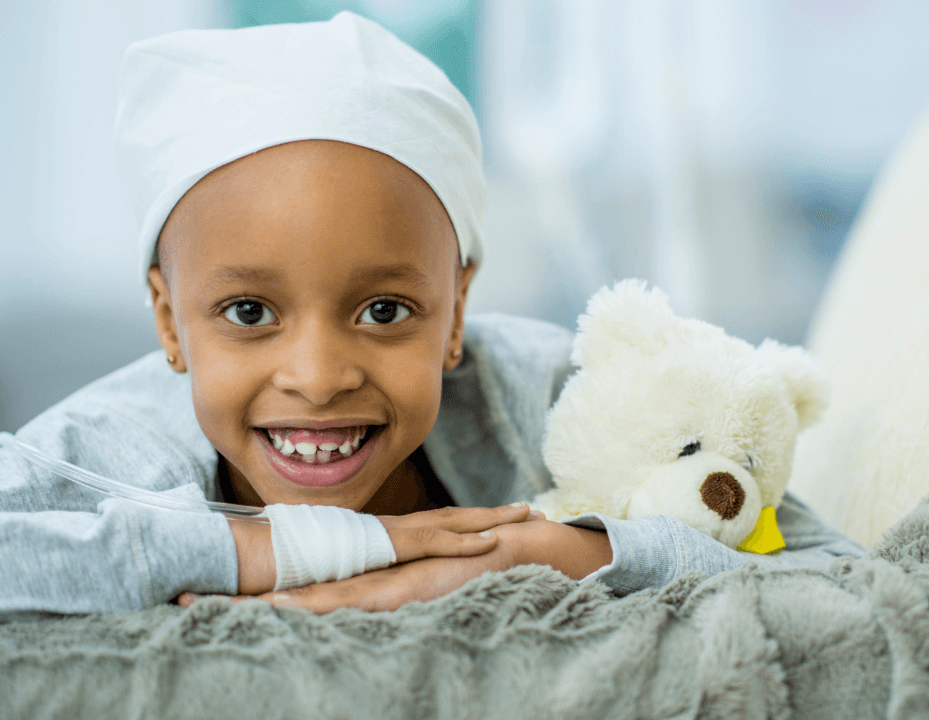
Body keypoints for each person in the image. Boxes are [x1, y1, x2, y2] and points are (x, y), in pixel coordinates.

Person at [0, 12, 863, 621]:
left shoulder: (555, 397)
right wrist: (268, 554)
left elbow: (833, 573)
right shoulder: (105, 451)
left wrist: (559, 557)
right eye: (249, 310)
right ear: (167, 320)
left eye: (384, 310)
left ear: (455, 312)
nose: (318, 374)